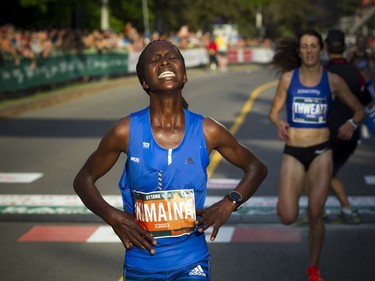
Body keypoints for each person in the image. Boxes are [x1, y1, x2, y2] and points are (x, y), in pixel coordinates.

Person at [73, 40, 267, 281]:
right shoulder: (126, 130)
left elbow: (256, 167)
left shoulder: (207, 130)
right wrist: (111, 216)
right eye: (154, 60)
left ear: (184, 75)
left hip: (191, 260)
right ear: (144, 81)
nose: (164, 61)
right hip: (141, 260)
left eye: (171, 57)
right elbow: (83, 180)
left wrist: (230, 202)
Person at [268, 30, 366, 281]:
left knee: (314, 212)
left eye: (313, 46)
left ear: (321, 49)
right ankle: (292, 191)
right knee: (288, 216)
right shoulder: (289, 79)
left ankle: (314, 268)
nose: (309, 51)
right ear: (299, 51)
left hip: (322, 151)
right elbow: (273, 112)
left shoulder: (332, 81)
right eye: (304, 46)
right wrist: (278, 123)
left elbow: (359, 109)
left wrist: (352, 125)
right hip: (294, 150)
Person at [324, 29, 373, 224]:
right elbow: (368, 100)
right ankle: (343, 210)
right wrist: (352, 121)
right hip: (351, 134)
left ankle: (339, 211)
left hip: (328, 134)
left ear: (326, 47)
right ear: (345, 47)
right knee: (326, 173)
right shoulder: (356, 73)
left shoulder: (322, 72)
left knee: (319, 172)